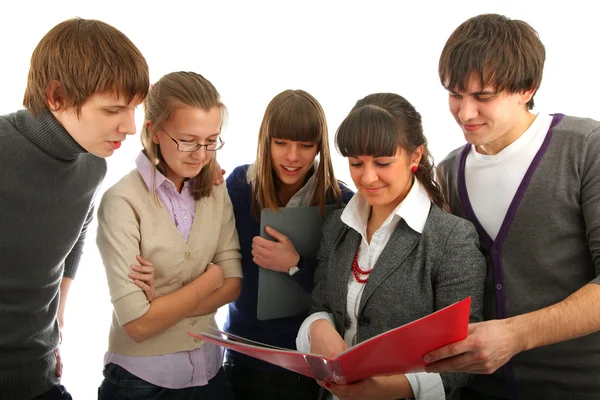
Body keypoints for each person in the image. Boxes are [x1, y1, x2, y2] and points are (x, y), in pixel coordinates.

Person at [425, 13, 600, 400]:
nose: (465, 113)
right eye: (455, 94)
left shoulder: (586, 147)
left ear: (527, 89)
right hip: (478, 389)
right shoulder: (449, 170)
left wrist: (516, 335)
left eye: (483, 97)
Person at [296, 92, 486, 400]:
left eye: (383, 163)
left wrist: (387, 388)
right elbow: (321, 306)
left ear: (415, 156)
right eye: (356, 163)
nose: (367, 177)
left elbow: (463, 356)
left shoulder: (451, 238)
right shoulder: (337, 227)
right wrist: (317, 328)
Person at [0, 18, 148, 400]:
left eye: (134, 109)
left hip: (40, 379)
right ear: (57, 97)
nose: (130, 127)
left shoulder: (92, 165)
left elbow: (75, 234)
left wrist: (56, 322)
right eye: (114, 110)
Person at [96, 71, 242, 400]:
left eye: (210, 141)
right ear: (154, 131)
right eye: (188, 141)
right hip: (141, 383)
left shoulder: (215, 191)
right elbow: (137, 325)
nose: (201, 154)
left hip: (210, 373)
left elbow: (233, 283)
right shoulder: (122, 202)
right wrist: (208, 281)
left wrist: (160, 302)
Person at [224, 89, 354, 400]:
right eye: (281, 143)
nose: (292, 157)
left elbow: (344, 293)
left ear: (319, 146)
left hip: (303, 366)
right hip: (242, 354)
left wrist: (294, 265)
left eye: (305, 146)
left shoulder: (341, 202)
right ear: (265, 141)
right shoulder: (240, 186)